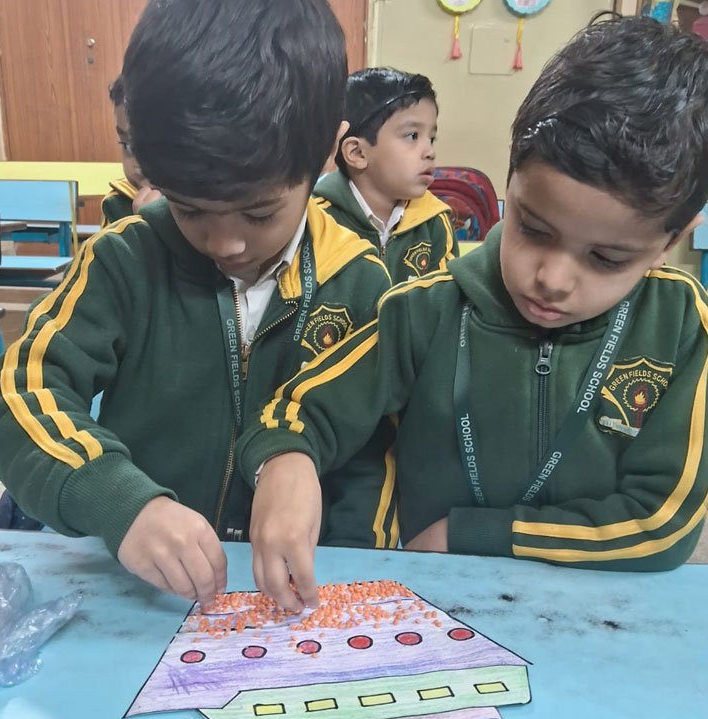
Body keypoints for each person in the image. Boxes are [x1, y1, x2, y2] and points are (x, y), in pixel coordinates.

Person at [238, 16, 708, 611]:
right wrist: (285, 463)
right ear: (512, 180)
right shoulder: (423, 311)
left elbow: (661, 522)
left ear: (670, 242)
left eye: (607, 258)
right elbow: (299, 411)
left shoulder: (682, 327)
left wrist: (478, 535)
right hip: (431, 600)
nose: (553, 278)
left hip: (595, 616)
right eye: (533, 228)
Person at [0, 0, 394, 606]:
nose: (224, 243)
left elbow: (372, 451)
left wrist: (353, 563)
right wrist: (119, 501)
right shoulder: (125, 259)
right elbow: (22, 391)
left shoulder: (359, 283)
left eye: (259, 213)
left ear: (328, 152)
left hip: (296, 600)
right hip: (144, 595)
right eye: (188, 208)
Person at [314, 68, 458, 284]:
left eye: (431, 138)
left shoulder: (435, 222)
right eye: (412, 136)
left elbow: (444, 298)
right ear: (358, 153)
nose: (430, 152)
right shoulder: (316, 219)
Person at [101, 75, 162, 225]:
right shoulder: (116, 205)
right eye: (127, 145)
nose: (138, 165)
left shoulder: (209, 207)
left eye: (156, 146)